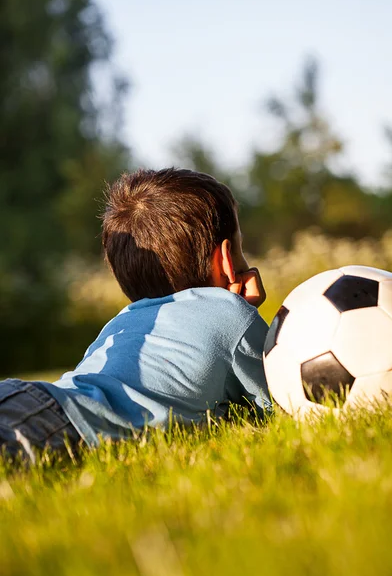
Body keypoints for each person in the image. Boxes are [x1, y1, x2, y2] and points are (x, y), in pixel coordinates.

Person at [0, 168, 271, 462]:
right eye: (241, 245)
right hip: (54, 423)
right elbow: (282, 399)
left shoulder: (121, 321)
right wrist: (243, 311)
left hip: (35, 399)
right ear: (227, 259)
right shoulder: (231, 314)